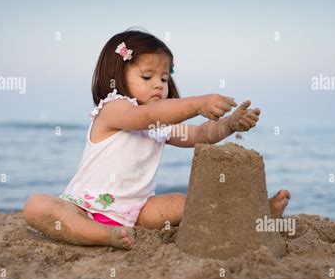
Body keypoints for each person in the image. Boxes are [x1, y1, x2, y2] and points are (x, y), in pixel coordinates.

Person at [23, 29, 291, 250]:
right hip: (84, 208)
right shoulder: (113, 109)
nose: (158, 85)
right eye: (147, 76)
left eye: (164, 78)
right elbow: (147, 115)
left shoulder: (159, 127)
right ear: (116, 77)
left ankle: (255, 216)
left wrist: (229, 125)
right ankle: (103, 236)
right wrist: (197, 104)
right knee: (37, 206)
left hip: (137, 213)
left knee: (184, 202)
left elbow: (199, 135)